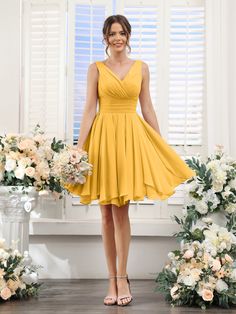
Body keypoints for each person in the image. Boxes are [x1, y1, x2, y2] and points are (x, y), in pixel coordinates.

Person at [64, 14, 196, 306]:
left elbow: (147, 106)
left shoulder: (141, 68)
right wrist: (79, 147)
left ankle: (122, 277)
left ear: (128, 36)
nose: (117, 38)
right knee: (105, 214)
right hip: (103, 139)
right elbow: (88, 110)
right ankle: (111, 279)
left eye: (122, 33)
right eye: (112, 33)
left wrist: (159, 142)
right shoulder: (95, 69)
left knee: (121, 211)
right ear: (105, 38)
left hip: (129, 139)